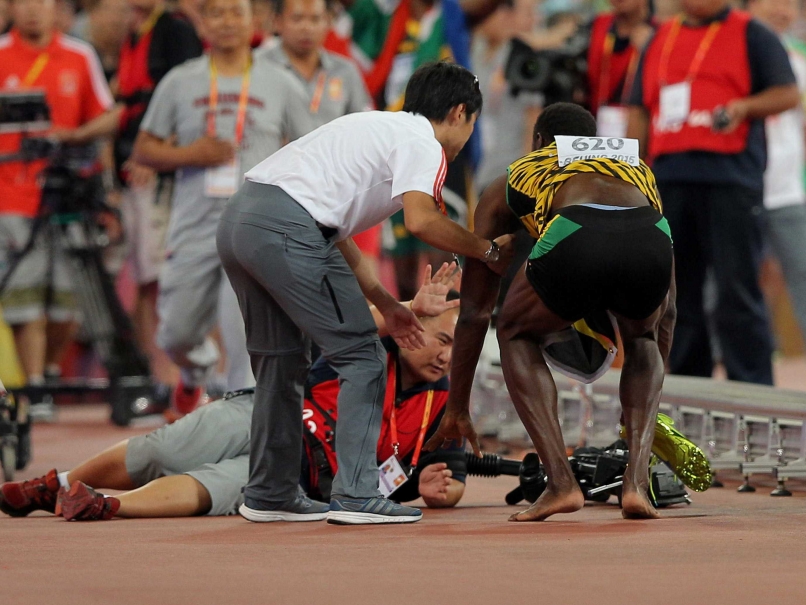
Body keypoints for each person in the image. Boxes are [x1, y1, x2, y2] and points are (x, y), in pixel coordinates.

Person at [217, 61, 514, 525]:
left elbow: (335, 232)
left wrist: (388, 304)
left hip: (241, 219)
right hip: (288, 227)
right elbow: (422, 221)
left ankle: (271, 492)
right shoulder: (423, 142)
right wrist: (488, 249)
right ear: (460, 114)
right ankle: (356, 494)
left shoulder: (377, 125)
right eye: (471, 126)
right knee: (364, 358)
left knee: (282, 360)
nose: (465, 139)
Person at [0, 265, 467, 520]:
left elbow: (454, 480)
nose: (446, 356)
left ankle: (103, 506)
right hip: (265, 415)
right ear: (414, 328)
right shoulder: (371, 340)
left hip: (294, 475)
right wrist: (406, 306)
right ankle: (55, 484)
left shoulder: (447, 404)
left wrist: (425, 490)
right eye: (442, 340)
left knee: (213, 491)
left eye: (457, 349)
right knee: (161, 450)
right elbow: (339, 319)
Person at [426, 102, 675, 521]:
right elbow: (667, 310)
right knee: (642, 338)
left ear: (539, 141)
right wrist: (653, 411)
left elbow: (474, 310)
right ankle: (635, 486)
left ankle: (561, 482)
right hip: (651, 238)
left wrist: (458, 406)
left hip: (576, 232)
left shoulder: (519, 172)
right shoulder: (636, 169)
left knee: (514, 331)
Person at [131, 0, 313, 414]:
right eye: (218, 12)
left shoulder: (281, 83)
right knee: (175, 334)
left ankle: (240, 442)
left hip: (254, 229)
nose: (228, 21)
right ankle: (196, 372)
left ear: (256, 20)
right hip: (194, 224)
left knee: (244, 341)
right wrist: (191, 153)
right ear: (203, 22)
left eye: (237, 11)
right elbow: (144, 148)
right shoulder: (180, 81)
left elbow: (311, 148)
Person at [626, 0, 799, 385]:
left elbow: (788, 94)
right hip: (669, 178)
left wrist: (742, 107)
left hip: (730, 179)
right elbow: (637, 108)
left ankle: (752, 387)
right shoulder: (660, 38)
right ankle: (690, 384)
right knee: (677, 292)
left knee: (736, 288)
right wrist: (632, 169)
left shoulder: (751, 32)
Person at [0, 0, 117, 448]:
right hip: (11, 194)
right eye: (23, 2)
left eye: (42, 2)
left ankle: (48, 372)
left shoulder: (78, 55)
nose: (32, 11)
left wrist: (73, 138)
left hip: (70, 194)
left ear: (58, 11)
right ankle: (33, 386)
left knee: (68, 300)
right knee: (25, 295)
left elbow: (106, 115)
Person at [115, 0, 203, 394]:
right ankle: (156, 373)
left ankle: (174, 376)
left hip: (162, 176)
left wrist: (154, 154)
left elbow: (187, 102)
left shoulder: (176, 30)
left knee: (164, 279)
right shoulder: (135, 33)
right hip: (132, 171)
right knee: (146, 278)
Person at [747, 0, 806, 344]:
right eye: (774, 1)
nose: (782, 10)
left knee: (802, 274)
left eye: (792, 5)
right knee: (731, 282)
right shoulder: (732, 48)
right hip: (739, 186)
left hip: (788, 191)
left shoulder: (800, 57)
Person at [586, 0, 654, 137]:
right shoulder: (596, 27)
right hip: (595, 129)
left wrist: (650, 48)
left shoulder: (660, 34)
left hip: (640, 128)